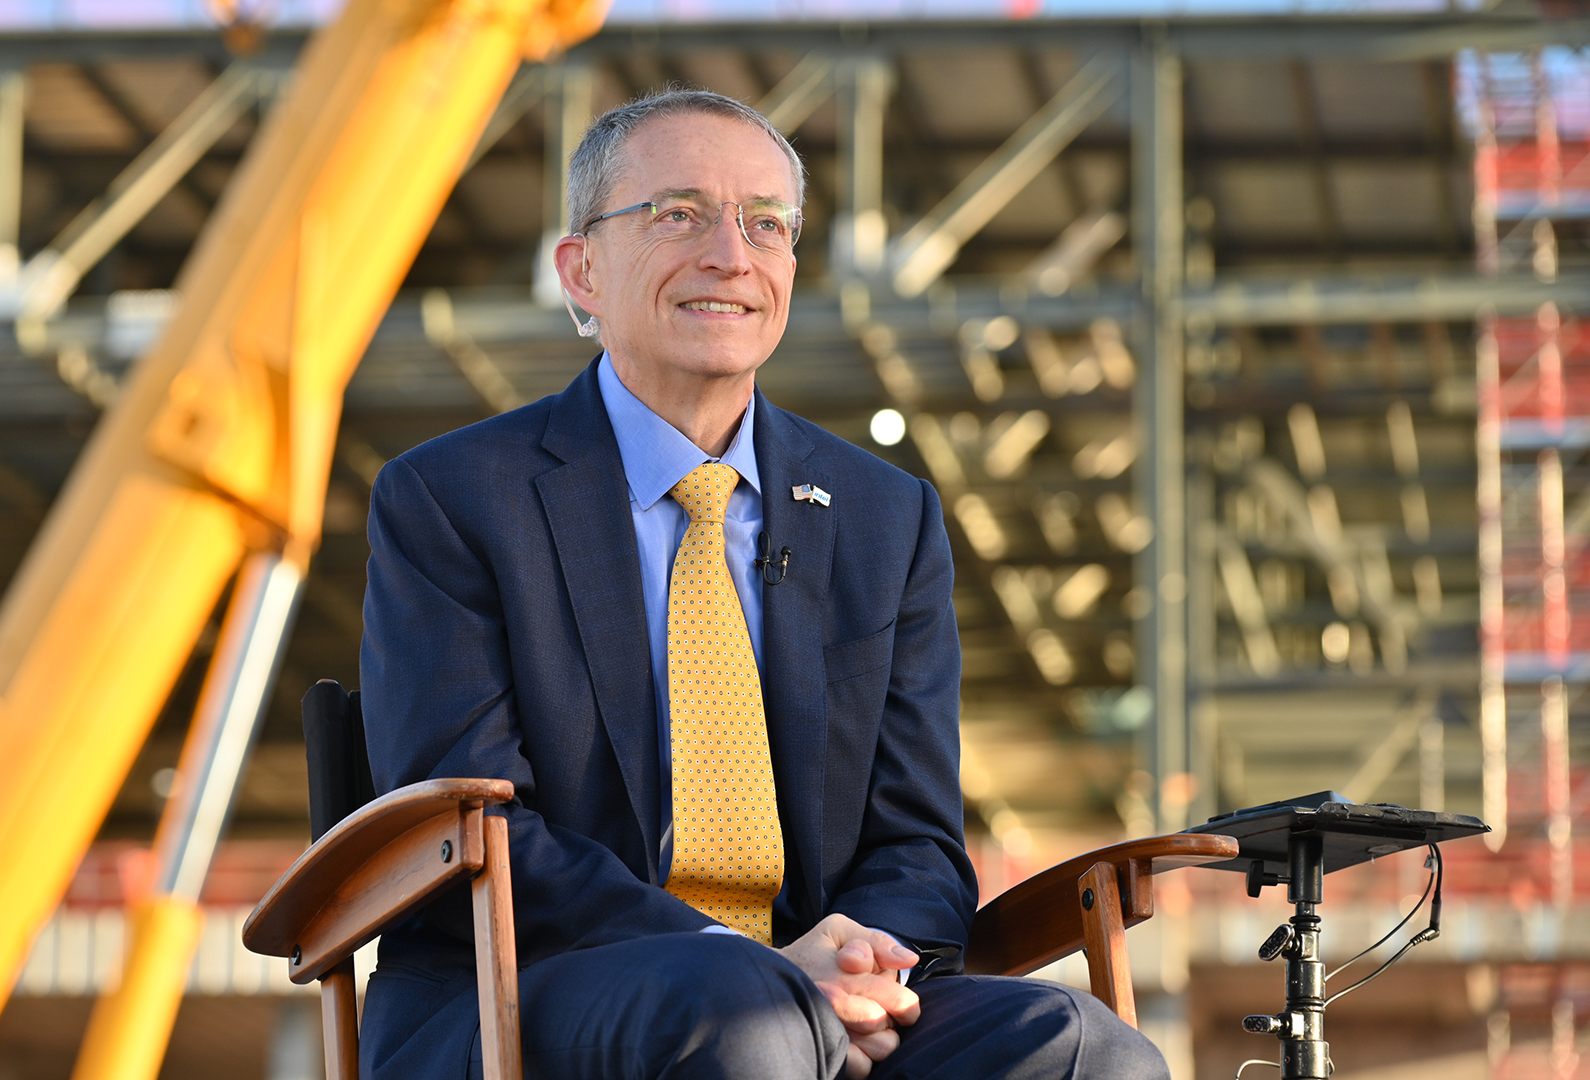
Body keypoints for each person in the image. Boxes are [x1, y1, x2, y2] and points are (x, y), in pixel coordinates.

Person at [356, 88, 1168, 1080]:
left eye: (767, 224)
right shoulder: (453, 498)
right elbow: (466, 826)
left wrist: (860, 969)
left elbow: (916, 843)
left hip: (824, 992)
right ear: (581, 272)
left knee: (1085, 1049)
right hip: (533, 989)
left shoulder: (887, 517)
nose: (731, 256)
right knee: (750, 1022)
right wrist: (751, 967)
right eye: (679, 214)